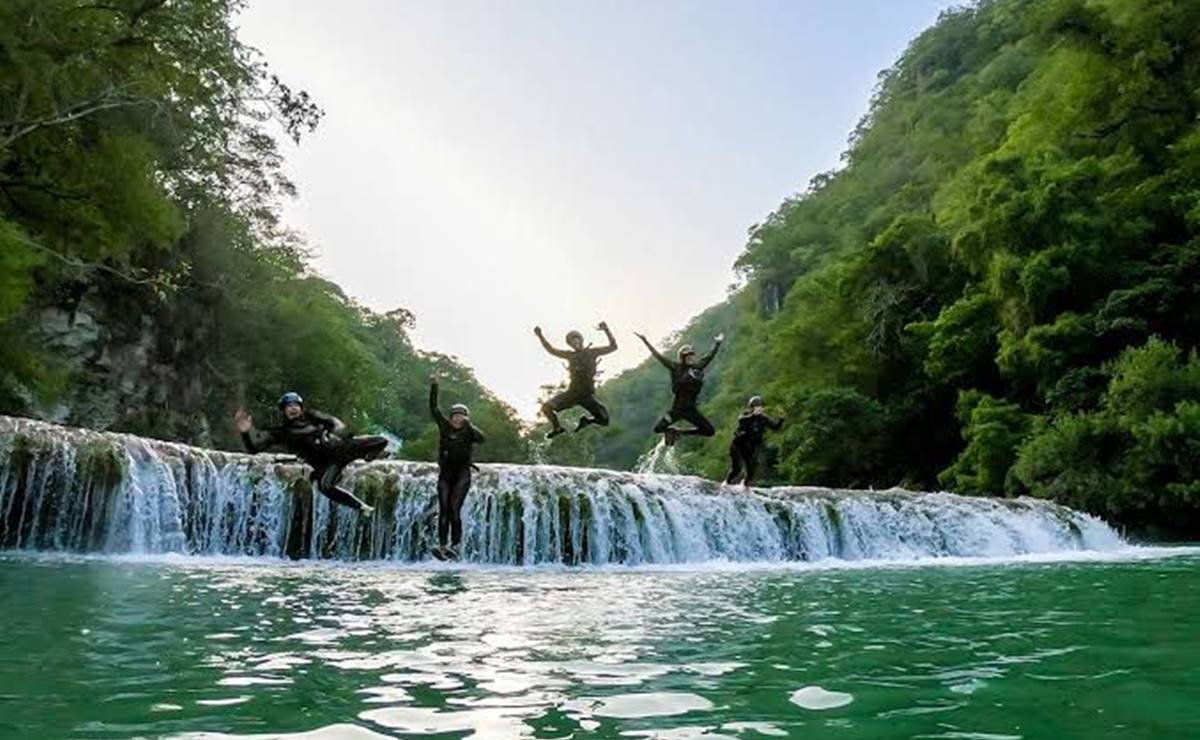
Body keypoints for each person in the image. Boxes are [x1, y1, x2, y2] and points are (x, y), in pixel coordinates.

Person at [234, 392, 386, 516]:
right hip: (326, 464)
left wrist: (337, 428)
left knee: (380, 441)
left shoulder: (313, 418)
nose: (293, 408)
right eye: (289, 406)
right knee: (325, 486)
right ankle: (362, 507)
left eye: (296, 405)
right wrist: (245, 433)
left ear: (301, 408)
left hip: (340, 450)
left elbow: (335, 424)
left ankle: (366, 458)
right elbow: (253, 450)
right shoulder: (281, 433)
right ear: (283, 410)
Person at [429, 375, 485, 559]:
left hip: (462, 475)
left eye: (460, 416)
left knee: (454, 509)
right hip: (445, 475)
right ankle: (443, 546)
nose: (457, 419)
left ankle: (457, 545)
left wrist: (469, 426)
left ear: (466, 419)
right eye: (454, 415)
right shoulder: (445, 427)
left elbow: (482, 438)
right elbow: (434, 408)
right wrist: (435, 386)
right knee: (443, 509)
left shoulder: (469, 431)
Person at [635, 331, 724, 445]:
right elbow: (658, 356)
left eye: (692, 355)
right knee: (658, 428)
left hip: (691, 410)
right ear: (682, 357)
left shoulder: (697, 368)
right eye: (688, 356)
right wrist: (645, 341)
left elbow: (709, 357)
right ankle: (670, 432)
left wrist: (717, 343)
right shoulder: (676, 368)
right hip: (677, 410)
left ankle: (679, 433)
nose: (691, 358)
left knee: (709, 431)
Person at [535, 321, 618, 439]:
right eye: (571, 342)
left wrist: (606, 330)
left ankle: (586, 421)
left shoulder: (592, 352)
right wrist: (540, 336)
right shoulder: (570, 355)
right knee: (546, 408)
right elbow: (551, 350)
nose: (574, 343)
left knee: (604, 420)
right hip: (572, 393)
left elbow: (613, 347)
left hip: (586, 395)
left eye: (576, 340)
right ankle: (557, 428)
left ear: (580, 340)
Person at [725, 395, 784, 487]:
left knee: (752, 468)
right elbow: (741, 421)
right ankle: (726, 484)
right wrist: (753, 415)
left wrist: (781, 419)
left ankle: (745, 486)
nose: (759, 408)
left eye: (761, 406)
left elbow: (775, 427)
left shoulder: (764, 419)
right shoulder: (745, 417)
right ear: (752, 408)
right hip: (738, 446)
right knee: (736, 469)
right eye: (757, 406)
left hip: (750, 447)